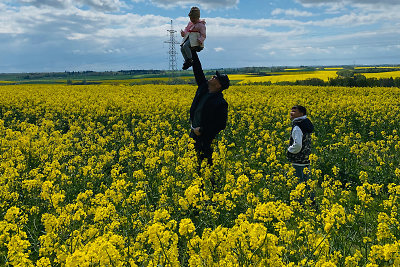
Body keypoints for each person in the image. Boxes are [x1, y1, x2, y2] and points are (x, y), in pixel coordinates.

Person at [189, 51, 229, 172]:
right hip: (192, 134)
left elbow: (221, 124)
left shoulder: (221, 103)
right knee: (192, 165)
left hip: (204, 138)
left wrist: (201, 130)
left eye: (215, 78)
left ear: (218, 86)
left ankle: (211, 188)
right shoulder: (203, 88)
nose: (212, 77)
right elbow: (197, 69)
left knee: (206, 166)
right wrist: (192, 51)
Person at [287, 105, 314, 182]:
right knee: (307, 183)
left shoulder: (297, 127)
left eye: (294, 111)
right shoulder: (305, 123)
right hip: (306, 157)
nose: (291, 113)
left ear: (301, 114)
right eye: (291, 111)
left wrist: (290, 150)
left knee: (299, 183)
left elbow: (298, 144)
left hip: (298, 159)